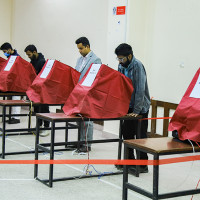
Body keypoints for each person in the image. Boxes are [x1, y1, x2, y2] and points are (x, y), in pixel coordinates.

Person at [115, 43, 151, 175]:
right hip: (128, 106)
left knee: (140, 136)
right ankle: (130, 161)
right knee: (127, 133)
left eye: (122, 59)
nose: (120, 61)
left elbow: (140, 90)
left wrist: (136, 111)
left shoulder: (138, 66)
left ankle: (143, 165)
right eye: (118, 59)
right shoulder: (121, 66)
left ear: (129, 56)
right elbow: (120, 86)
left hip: (140, 107)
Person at [75, 37, 102, 153]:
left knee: (87, 120)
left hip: (89, 92)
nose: (79, 51)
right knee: (79, 119)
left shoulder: (96, 59)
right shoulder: (79, 60)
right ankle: (80, 141)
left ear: (87, 46)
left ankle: (87, 144)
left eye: (81, 48)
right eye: (78, 49)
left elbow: (97, 77)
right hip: (79, 92)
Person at [24, 44, 50, 137]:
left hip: (43, 89)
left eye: (29, 54)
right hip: (35, 89)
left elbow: (42, 76)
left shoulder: (42, 61)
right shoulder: (32, 61)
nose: (29, 56)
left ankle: (47, 127)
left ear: (34, 52)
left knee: (44, 108)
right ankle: (39, 125)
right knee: (37, 109)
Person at [0, 42, 21, 124]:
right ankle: (12, 117)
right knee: (11, 101)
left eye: (5, 51)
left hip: (16, 83)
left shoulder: (17, 57)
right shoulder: (10, 57)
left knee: (16, 100)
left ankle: (16, 117)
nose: (4, 53)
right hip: (11, 83)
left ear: (9, 49)